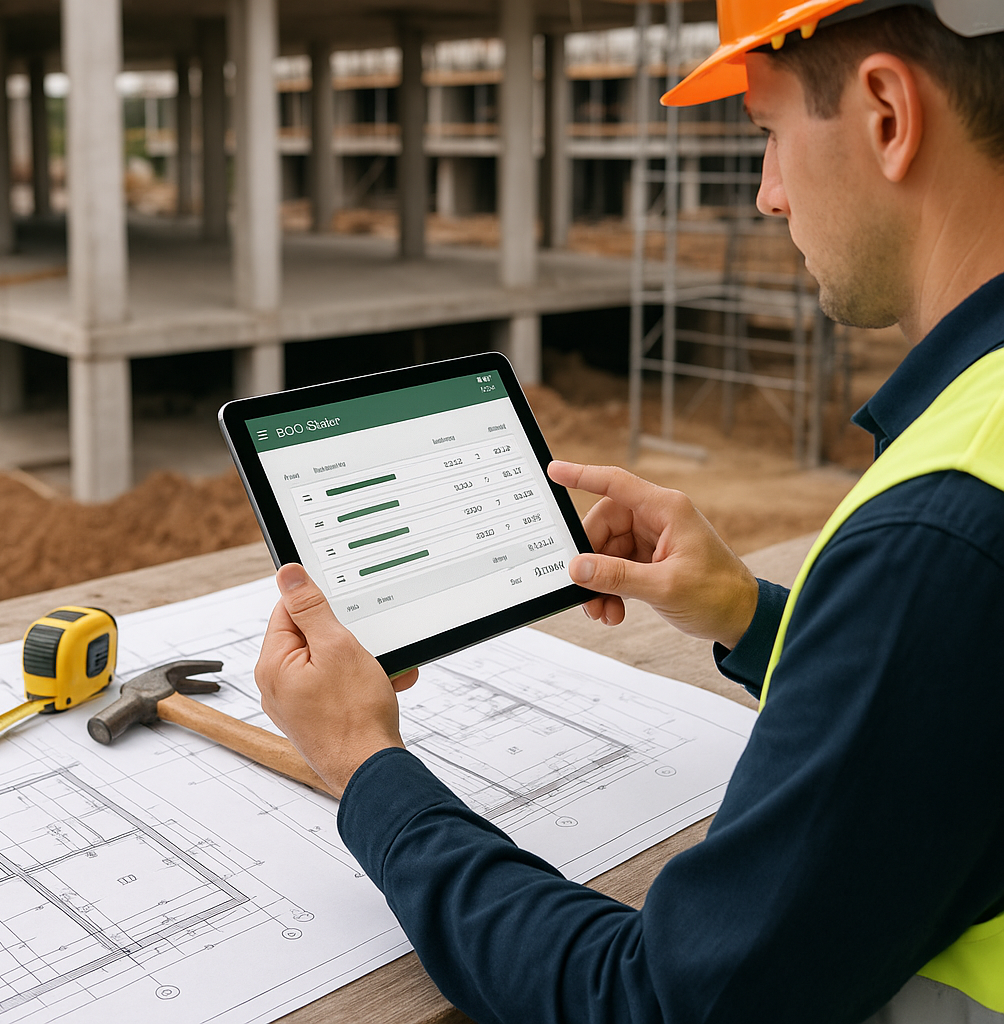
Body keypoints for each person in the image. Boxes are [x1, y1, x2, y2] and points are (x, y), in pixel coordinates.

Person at [255, 1, 1004, 1020]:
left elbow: (655, 1001)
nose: (768, 194)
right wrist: (747, 613)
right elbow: (957, 697)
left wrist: (363, 761)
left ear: (886, 113)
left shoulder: (939, 530)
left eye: (769, 132)